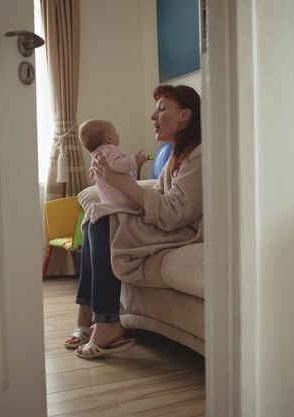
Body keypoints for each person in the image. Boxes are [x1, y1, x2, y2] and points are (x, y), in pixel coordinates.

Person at [65, 84, 202, 359]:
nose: (153, 116)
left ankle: (107, 324)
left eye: (162, 109)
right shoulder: (176, 156)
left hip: (184, 231)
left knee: (103, 221)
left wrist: (121, 182)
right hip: (165, 223)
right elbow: (158, 196)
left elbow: (175, 213)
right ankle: (87, 312)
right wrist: (115, 185)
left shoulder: (199, 156)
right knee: (94, 218)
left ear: (185, 115)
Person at [78, 119, 147, 209]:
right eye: (115, 131)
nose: (117, 133)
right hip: (123, 202)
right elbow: (119, 165)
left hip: (108, 201)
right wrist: (136, 159)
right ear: (108, 138)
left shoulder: (95, 158)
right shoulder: (110, 149)